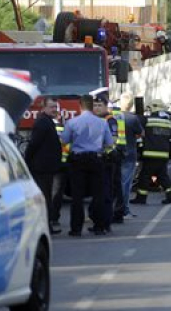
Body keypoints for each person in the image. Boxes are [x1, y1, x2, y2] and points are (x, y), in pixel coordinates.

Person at [60, 94, 114, 236]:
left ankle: (76, 229)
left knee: (77, 196)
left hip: (77, 161)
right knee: (98, 194)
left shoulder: (72, 123)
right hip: (96, 160)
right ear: (92, 106)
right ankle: (99, 226)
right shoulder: (102, 123)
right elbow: (109, 143)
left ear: (80, 105)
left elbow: (64, 140)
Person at [24, 97, 63, 234]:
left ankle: (47, 225)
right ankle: (45, 226)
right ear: (44, 107)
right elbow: (34, 144)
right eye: (52, 107)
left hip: (47, 166)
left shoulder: (47, 121)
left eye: (55, 107)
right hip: (42, 167)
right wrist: (26, 161)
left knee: (46, 196)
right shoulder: (42, 122)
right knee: (45, 196)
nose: (54, 109)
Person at [130, 100, 171, 205]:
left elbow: (138, 130)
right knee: (162, 176)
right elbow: (170, 136)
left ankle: (141, 198)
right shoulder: (168, 123)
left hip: (150, 154)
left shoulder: (146, 120)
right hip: (164, 154)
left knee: (144, 176)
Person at [92, 96, 122, 232]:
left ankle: (106, 221)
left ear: (105, 107)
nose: (97, 108)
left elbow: (112, 140)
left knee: (107, 193)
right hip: (95, 160)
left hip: (107, 160)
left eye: (99, 105)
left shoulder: (110, 121)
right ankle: (99, 220)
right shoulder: (94, 120)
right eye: (95, 105)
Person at [115, 92, 144, 221]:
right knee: (125, 184)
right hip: (129, 154)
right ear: (132, 105)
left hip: (115, 154)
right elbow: (141, 133)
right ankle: (124, 210)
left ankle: (115, 209)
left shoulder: (113, 117)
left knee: (114, 183)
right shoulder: (133, 119)